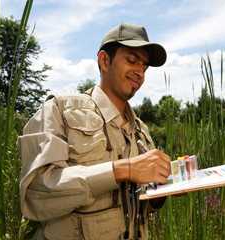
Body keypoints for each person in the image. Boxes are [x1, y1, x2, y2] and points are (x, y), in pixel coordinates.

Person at [17, 22, 172, 240]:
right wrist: (122, 169)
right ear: (104, 60)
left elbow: (143, 205)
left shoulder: (141, 130)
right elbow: (36, 194)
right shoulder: (59, 110)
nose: (140, 72)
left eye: (144, 67)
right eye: (131, 60)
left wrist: (164, 191)